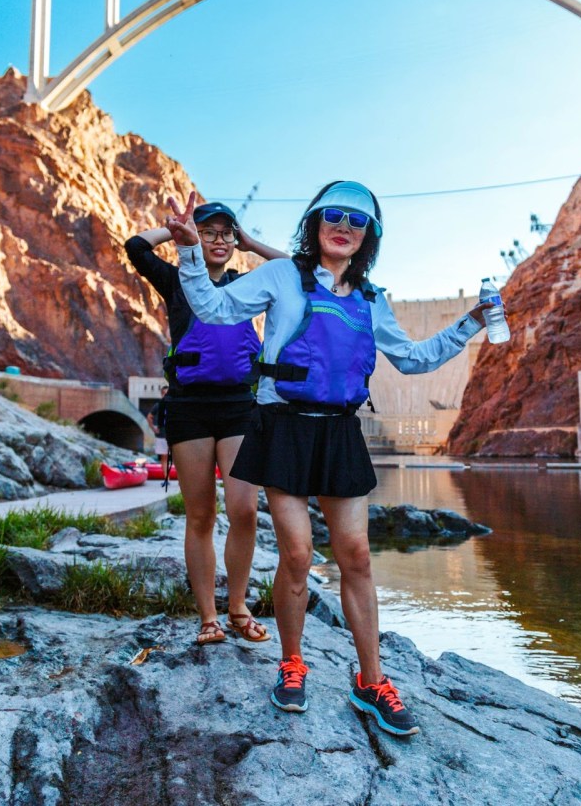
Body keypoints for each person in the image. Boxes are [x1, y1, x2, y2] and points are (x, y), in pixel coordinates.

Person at [165, 181, 493, 737]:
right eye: (333, 215)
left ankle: (371, 682)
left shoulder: (370, 299)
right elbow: (214, 310)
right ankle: (292, 665)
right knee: (296, 554)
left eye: (357, 221)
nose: (344, 226)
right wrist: (191, 252)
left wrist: (472, 323)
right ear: (315, 223)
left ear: (369, 237)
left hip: (340, 432)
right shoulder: (279, 276)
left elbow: (412, 361)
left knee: (358, 557)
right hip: (283, 428)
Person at [125, 202, 289, 646]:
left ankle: (238, 607)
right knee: (200, 516)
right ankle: (209, 618)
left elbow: (297, 271)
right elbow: (135, 248)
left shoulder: (246, 285)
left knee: (243, 512)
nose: (218, 239)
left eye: (226, 233)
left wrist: (251, 244)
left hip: (240, 406)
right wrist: (174, 232)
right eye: (208, 231)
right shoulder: (177, 280)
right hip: (189, 408)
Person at [147, 386, 169, 465]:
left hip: (173, 434)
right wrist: (153, 429)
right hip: (161, 435)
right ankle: (167, 477)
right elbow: (149, 417)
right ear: (162, 395)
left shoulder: (174, 405)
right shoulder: (158, 405)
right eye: (164, 394)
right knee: (164, 457)